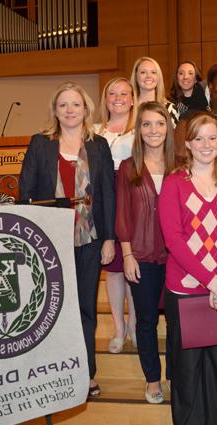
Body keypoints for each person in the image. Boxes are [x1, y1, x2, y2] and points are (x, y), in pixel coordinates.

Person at [19, 82, 116, 397]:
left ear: (86, 109)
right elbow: (26, 194)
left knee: (86, 308)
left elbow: (108, 195)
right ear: (55, 110)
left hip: (89, 240)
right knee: (52, 310)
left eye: (76, 104)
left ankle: (86, 374)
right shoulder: (40, 143)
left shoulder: (99, 145)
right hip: (48, 242)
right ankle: (54, 375)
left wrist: (109, 238)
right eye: (64, 105)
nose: (70, 110)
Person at [159, 112, 217, 425]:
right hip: (185, 292)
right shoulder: (173, 184)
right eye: (199, 138)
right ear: (188, 144)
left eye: (212, 137)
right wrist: (210, 280)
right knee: (186, 376)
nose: (206, 144)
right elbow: (174, 240)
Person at [116, 102, 176, 404]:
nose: (154, 130)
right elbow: (123, 215)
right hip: (141, 257)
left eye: (159, 123)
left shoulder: (181, 164)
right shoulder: (129, 167)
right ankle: (153, 380)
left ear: (168, 127)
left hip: (179, 259)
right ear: (139, 130)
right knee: (146, 322)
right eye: (147, 124)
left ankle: (177, 378)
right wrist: (127, 255)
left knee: (179, 322)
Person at [94, 77, 138, 354]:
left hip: (131, 195)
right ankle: (118, 327)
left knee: (132, 265)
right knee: (112, 269)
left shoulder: (139, 128)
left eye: (124, 93)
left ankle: (134, 324)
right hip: (102, 197)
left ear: (133, 99)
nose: (118, 98)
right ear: (105, 99)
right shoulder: (94, 130)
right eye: (113, 93)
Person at [130, 56, 180, 126]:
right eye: (143, 72)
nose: (148, 76)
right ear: (136, 76)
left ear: (158, 77)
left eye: (153, 72)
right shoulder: (128, 107)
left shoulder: (170, 108)